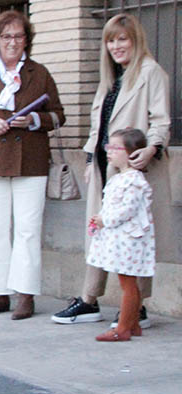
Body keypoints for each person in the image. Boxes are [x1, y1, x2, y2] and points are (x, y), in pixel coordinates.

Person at [51, 13, 170, 328]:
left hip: (132, 168)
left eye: (122, 39)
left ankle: (136, 307)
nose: (116, 46)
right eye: (111, 40)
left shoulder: (150, 72)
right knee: (98, 232)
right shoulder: (111, 78)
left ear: (135, 40)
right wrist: (91, 160)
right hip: (106, 167)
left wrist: (152, 147)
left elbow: (160, 120)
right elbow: (98, 126)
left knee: (130, 238)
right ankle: (89, 300)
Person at [0, 10, 65, 320]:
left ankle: (25, 295)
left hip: (30, 161)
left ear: (27, 40)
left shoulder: (39, 73)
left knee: (28, 230)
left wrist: (34, 120)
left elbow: (59, 114)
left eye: (19, 36)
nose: (13, 42)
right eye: (6, 36)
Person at [86, 128, 154, 342]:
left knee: (128, 284)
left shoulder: (134, 181)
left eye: (116, 148)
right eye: (109, 146)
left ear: (132, 152)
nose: (109, 152)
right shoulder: (118, 178)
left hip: (129, 241)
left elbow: (127, 210)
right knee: (126, 281)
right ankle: (133, 325)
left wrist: (106, 220)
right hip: (118, 240)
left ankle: (123, 327)